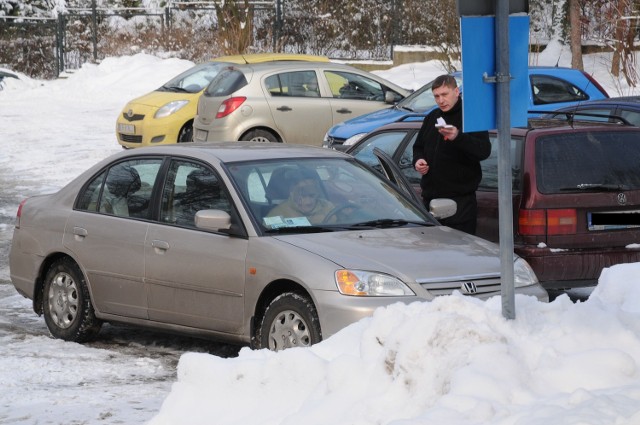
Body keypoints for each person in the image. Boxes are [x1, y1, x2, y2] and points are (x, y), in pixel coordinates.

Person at [412, 74, 491, 235]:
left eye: (444, 94)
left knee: (458, 254)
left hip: (459, 204)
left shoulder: (470, 117)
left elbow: (484, 150)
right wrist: (419, 160)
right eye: (436, 96)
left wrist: (458, 137)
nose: (441, 100)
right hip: (430, 202)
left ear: (456, 91)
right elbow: (418, 146)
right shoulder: (432, 117)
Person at [266, 169, 334, 225]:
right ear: (291, 192)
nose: (308, 202)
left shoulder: (328, 207)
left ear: (317, 192)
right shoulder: (277, 214)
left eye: (312, 195)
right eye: (302, 196)